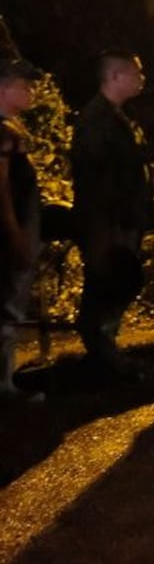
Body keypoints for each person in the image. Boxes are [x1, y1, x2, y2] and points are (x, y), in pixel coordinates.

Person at [69, 50, 154, 377]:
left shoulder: (117, 118)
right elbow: (96, 179)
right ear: (115, 76)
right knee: (107, 281)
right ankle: (102, 355)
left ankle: (105, 353)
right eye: (136, 73)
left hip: (121, 220)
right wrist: (110, 225)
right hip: (107, 222)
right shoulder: (98, 121)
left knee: (117, 281)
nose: (142, 79)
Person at [0, 56, 43, 402]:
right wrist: (16, 235)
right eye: (23, 85)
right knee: (7, 309)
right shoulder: (3, 134)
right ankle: (4, 385)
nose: (31, 91)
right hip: (7, 238)